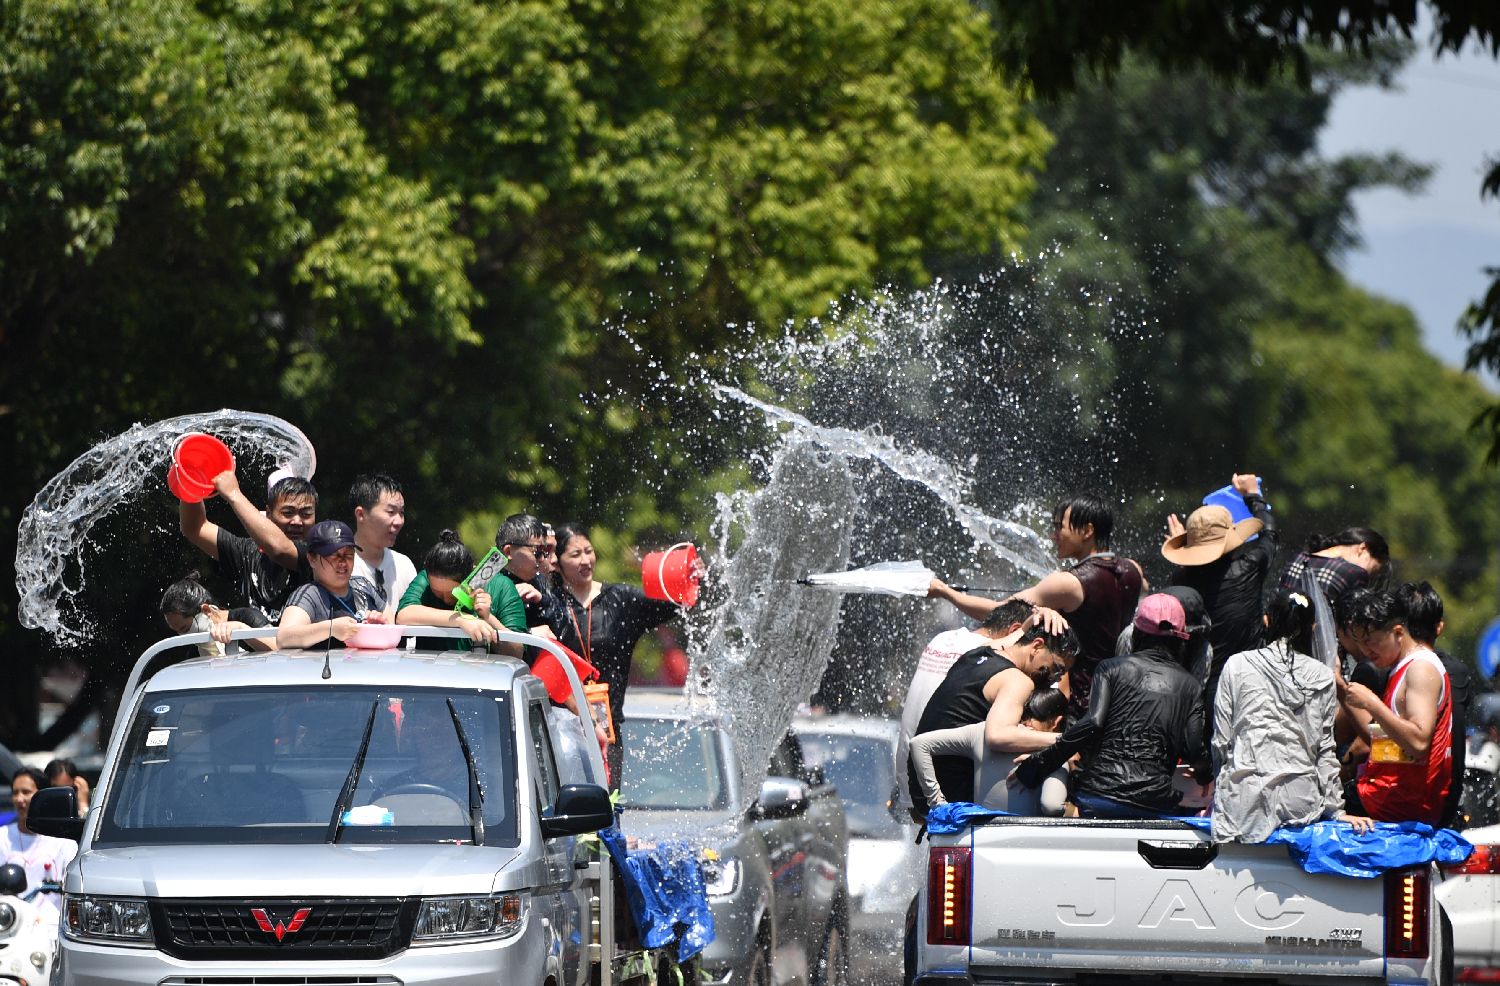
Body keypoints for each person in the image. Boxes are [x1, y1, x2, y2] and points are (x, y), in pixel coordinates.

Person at [930, 494, 1143, 716]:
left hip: (1078, 704)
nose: (1053, 535)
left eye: (1060, 527)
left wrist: (946, 592)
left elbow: (998, 612)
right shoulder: (1133, 570)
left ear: (1087, 531)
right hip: (1117, 697)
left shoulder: (1069, 583)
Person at [1014, 594, 1205, 819]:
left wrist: (1037, 764)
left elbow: (1092, 723)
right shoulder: (1191, 686)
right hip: (1155, 804)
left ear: (1136, 633)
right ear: (1181, 640)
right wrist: (1206, 773)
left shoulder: (1110, 668)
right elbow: (1193, 748)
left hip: (1100, 796)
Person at [1211, 591, 1374, 843]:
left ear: (1266, 621)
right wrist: (1336, 811)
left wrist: (1223, 789)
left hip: (1243, 804)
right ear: (1313, 628)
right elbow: (1325, 751)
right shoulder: (1323, 675)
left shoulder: (1236, 665)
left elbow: (1221, 742)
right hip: (1300, 803)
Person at [551, 523, 688, 783]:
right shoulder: (549, 604)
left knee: (607, 804)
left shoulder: (620, 599)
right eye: (575, 554)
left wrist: (688, 574)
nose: (585, 560)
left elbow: (673, 603)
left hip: (608, 731)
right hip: (559, 731)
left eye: (589, 551)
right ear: (557, 563)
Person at [906, 623, 1081, 816]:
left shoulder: (976, 654)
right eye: (1057, 668)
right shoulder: (1018, 681)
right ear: (1037, 646)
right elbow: (997, 736)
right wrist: (1065, 742)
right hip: (956, 800)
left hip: (921, 789)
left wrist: (1032, 620)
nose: (1055, 679)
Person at [896, 599, 1036, 808]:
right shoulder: (988, 657)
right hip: (940, 785)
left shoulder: (942, 639)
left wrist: (945, 592)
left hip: (909, 778)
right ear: (1015, 631)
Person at [1342, 590, 1453, 825]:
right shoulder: (1401, 666)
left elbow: (1418, 743)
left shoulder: (1420, 669)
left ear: (1398, 632)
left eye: (1370, 642)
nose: (1365, 651)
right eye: (1360, 642)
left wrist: (1371, 703)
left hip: (1404, 809)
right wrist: (1341, 688)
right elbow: (1383, 739)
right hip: (1387, 800)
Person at [1164, 473, 1276, 664]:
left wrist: (1185, 549)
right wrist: (1254, 495)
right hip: (1247, 675)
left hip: (1200, 678)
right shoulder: (1250, 569)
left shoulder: (1181, 578)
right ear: (1231, 538)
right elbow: (1269, 534)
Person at [178, 470, 317, 622]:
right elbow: (194, 527)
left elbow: (280, 550)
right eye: (288, 513)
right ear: (268, 514)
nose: (297, 521)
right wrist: (192, 480)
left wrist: (234, 493)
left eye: (306, 514)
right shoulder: (248, 553)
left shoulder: (319, 554)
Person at [910, 685, 1071, 816]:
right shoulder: (1054, 756)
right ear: (1057, 722)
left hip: (979, 836)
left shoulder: (981, 733)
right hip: (1025, 840)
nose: (1027, 724)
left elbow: (919, 744)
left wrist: (938, 804)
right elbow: (1051, 805)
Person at [1397, 580, 1472, 828]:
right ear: (1439, 627)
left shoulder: (1402, 670)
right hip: (1447, 801)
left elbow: (1418, 741)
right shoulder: (1458, 671)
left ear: (1396, 629)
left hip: (1408, 805)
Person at [396, 530, 515, 652]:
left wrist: (487, 617)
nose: (445, 599)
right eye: (436, 593)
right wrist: (460, 619)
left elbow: (517, 652)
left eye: (451, 594)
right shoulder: (425, 578)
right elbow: (403, 615)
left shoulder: (501, 586)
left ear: (470, 576)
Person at [276, 520, 389, 649]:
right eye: (333, 555)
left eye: (348, 555)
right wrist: (331, 628)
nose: (342, 563)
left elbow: (392, 624)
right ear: (311, 559)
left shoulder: (363, 585)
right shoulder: (310, 594)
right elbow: (284, 638)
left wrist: (380, 627)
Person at [1, 767, 76, 920]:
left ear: (42, 797)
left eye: (26, 792)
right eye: (15, 793)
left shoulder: (64, 843)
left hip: (50, 928)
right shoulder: (2, 837)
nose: (19, 799)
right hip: (11, 924)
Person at [349, 473, 416, 613]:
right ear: (361, 514)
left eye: (402, 513)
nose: (399, 521)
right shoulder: (339, 566)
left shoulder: (404, 565)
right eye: (391, 512)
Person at [159, 572, 272, 654]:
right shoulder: (195, 651)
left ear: (206, 610)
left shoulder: (248, 618)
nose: (183, 636)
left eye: (185, 629)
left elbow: (279, 652)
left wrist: (241, 629)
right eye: (177, 632)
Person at [495, 513, 568, 636]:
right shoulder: (485, 581)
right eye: (537, 552)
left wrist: (542, 601)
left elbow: (566, 630)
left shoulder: (539, 582)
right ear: (508, 551)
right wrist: (530, 634)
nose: (542, 559)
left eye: (544, 552)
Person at [1278, 527, 1389, 603]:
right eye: (1373, 571)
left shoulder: (1297, 558)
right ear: (1363, 548)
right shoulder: (1355, 573)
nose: (1369, 576)